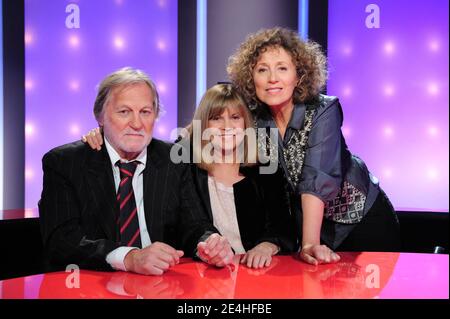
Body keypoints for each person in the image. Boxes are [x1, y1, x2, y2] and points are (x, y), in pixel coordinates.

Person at [226, 27, 401, 265]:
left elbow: (316, 178)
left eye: (282, 68)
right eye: (262, 70)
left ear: (298, 76)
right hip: (316, 232)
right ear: (251, 78)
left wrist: (309, 244)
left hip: (363, 222)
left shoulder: (323, 110)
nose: (272, 78)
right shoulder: (257, 121)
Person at [39, 67, 233, 276]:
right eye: (124, 112)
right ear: (100, 116)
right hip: (92, 284)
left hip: (162, 284)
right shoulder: (64, 162)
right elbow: (61, 241)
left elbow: (194, 224)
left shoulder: (174, 159)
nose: (137, 123)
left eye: (145, 112)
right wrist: (128, 257)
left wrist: (209, 243)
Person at [84, 83, 297, 269]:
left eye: (235, 117)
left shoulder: (265, 168)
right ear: (204, 124)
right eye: (216, 119)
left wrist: (266, 247)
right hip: (200, 273)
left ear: (246, 123)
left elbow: (284, 228)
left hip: (256, 273)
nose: (226, 127)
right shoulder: (182, 163)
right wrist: (101, 135)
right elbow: (139, 141)